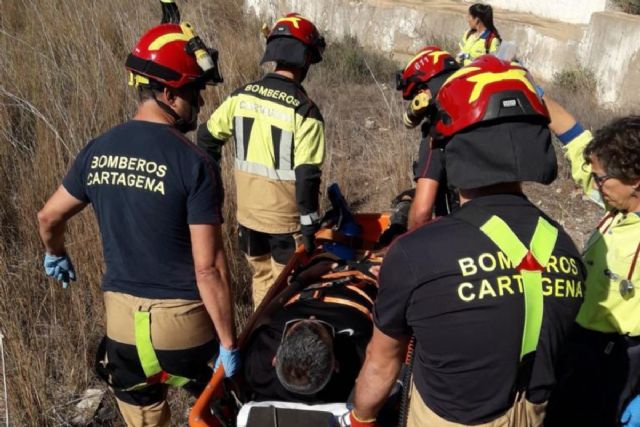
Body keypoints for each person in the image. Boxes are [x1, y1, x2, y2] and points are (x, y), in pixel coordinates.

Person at [348, 56, 586, 427]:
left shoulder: (415, 254)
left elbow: (381, 364)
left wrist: (360, 418)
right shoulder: (566, 247)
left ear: (451, 147)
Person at [37, 21, 238, 426]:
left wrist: (55, 252)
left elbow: (49, 215)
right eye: (193, 92)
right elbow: (208, 268)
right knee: (219, 412)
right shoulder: (194, 163)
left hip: (123, 331)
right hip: (184, 332)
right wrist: (229, 342)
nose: (199, 103)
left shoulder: (98, 149)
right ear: (167, 92)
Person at [197, 13, 326, 310]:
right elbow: (307, 176)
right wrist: (309, 227)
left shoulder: (241, 97)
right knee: (286, 293)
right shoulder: (306, 111)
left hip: (248, 219)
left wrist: (214, 185)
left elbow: (206, 137)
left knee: (262, 279)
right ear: (306, 59)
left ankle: (259, 338)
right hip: (284, 223)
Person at [541, 97, 640, 427]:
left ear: (633, 179)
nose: (594, 184)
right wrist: (522, 81)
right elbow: (573, 136)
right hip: (581, 340)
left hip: (619, 358)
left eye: (600, 178)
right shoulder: (617, 203)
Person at [242, 255, 379, 404]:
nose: (312, 317)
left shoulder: (258, 368)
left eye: (294, 325)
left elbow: (264, 315)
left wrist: (302, 279)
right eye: (324, 328)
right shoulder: (355, 364)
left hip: (310, 283)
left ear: (275, 359)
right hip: (362, 286)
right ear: (336, 365)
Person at [395, 46, 460, 229]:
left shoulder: (437, 132)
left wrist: (406, 247)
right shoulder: (474, 118)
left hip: (458, 236)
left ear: (424, 92)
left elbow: (422, 214)